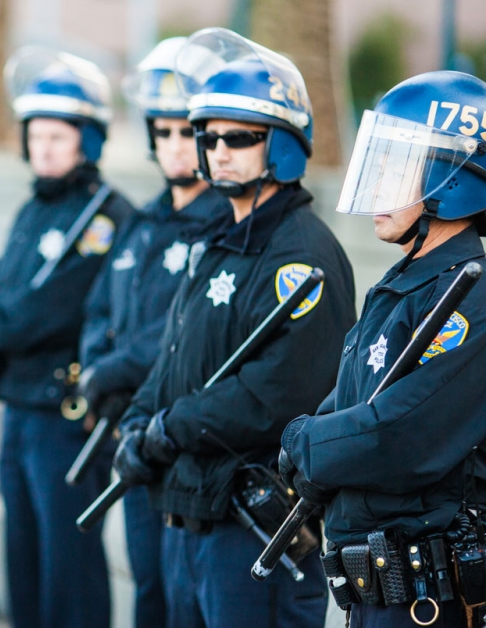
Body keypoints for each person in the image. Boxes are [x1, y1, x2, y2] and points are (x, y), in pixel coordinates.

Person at [113, 27, 356, 627]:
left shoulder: (303, 257)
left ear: (283, 145)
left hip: (251, 529)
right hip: (188, 508)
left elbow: (280, 393)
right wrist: (140, 417)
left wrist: (171, 429)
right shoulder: (218, 239)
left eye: (240, 137)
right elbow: (174, 356)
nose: (218, 150)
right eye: (208, 135)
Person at [280, 71, 486, 628]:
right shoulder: (404, 284)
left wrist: (308, 445)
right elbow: (350, 401)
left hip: (428, 600)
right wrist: (309, 439)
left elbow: (403, 433)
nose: (377, 183)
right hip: (374, 590)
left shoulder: (474, 294)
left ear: (452, 178)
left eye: (397, 165)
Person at [0, 46, 133, 628]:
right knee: (22, 556)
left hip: (63, 415)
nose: (43, 147)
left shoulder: (104, 216)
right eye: (36, 135)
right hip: (18, 405)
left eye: (58, 136)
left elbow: (43, 309)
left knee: (66, 564)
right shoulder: (36, 207)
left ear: (88, 140)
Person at [78, 37, 228, 628]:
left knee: (174, 597)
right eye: (161, 132)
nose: (172, 147)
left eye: (184, 132)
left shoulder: (219, 222)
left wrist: (113, 371)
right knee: (146, 586)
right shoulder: (143, 220)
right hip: (131, 432)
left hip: (178, 437)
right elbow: (99, 309)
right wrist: (96, 363)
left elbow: (176, 330)